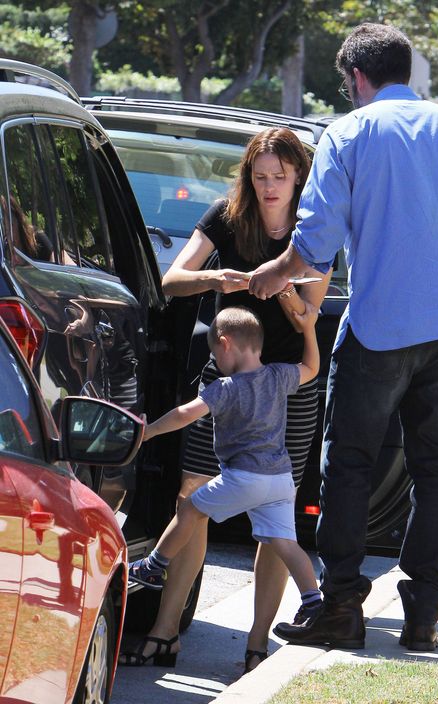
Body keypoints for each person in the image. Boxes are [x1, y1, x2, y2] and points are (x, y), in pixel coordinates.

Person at [249, 23, 438, 652]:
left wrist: (269, 275)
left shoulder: (349, 133)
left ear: (357, 79)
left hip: (378, 330)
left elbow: (313, 244)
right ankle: (423, 614)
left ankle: (341, 606)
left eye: (348, 86)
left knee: (349, 467)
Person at [121, 127, 334, 671]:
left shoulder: (315, 228)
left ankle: (258, 640)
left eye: (279, 178)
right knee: (191, 497)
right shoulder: (224, 215)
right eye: (260, 177)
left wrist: (281, 286)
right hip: (224, 377)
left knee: (275, 516)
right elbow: (172, 280)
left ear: (298, 179)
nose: (268, 188)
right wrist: (220, 277)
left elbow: (311, 315)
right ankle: (166, 630)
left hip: (288, 383)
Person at [128, 305, 323, 663]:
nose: (214, 359)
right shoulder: (279, 375)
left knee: (189, 508)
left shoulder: (224, 388)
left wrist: (149, 431)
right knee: (286, 544)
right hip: (281, 479)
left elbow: (186, 413)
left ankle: (153, 566)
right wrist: (309, 329)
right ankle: (312, 600)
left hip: (244, 476)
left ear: (225, 343)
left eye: (214, 353)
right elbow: (312, 368)